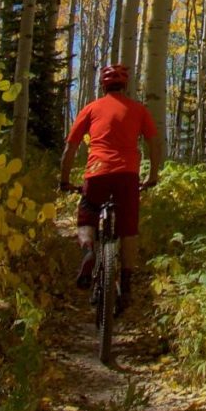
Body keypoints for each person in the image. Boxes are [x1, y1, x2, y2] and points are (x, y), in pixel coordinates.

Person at [62, 62, 160, 296]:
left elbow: (70, 149)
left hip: (97, 173)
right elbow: (154, 145)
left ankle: (88, 251)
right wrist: (152, 175)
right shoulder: (139, 110)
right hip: (127, 175)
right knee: (128, 229)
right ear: (125, 86)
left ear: (103, 86)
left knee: (87, 215)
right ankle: (126, 280)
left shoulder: (91, 109)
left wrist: (64, 180)